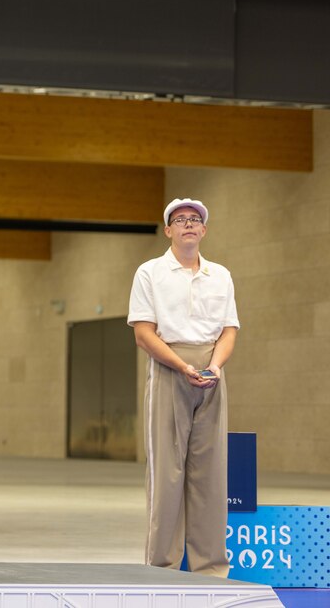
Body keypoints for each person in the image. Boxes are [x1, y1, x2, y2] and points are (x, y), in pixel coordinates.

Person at [128, 197, 239, 577]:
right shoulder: (150, 273)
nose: (189, 224)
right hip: (169, 366)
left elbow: (229, 329)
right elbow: (143, 334)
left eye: (195, 219)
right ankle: (161, 568)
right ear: (169, 230)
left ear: (204, 230)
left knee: (211, 473)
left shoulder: (220, 275)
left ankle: (211, 568)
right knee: (168, 471)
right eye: (180, 219)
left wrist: (215, 366)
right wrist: (181, 365)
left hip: (210, 373)